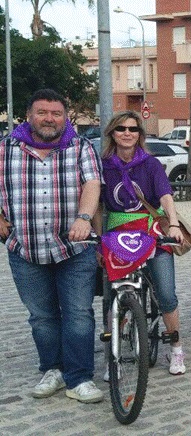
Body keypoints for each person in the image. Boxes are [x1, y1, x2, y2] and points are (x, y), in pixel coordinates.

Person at [0, 89, 104, 403]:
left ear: (65, 117)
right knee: (42, 317)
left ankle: (79, 378)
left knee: (78, 314)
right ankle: (53, 369)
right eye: (43, 112)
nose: (50, 119)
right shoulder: (5, 149)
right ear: (29, 115)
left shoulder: (80, 146)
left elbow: (92, 183)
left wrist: (84, 217)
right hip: (25, 249)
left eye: (56, 113)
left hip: (74, 248)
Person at [95, 111, 188, 375]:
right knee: (111, 298)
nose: (127, 133)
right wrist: (99, 242)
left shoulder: (150, 164)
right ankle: (111, 357)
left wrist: (173, 223)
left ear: (140, 135)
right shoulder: (103, 166)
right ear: (112, 133)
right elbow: (98, 206)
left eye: (133, 129)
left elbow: (165, 195)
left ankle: (177, 349)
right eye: (121, 128)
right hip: (117, 236)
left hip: (151, 232)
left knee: (167, 294)